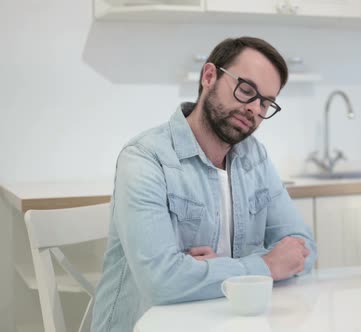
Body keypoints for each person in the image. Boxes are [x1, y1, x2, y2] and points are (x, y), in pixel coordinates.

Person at [91, 36, 317, 331]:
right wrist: (267, 264)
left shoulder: (255, 157)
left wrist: (221, 267)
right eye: (246, 90)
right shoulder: (146, 158)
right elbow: (161, 283)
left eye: (266, 103)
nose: (253, 109)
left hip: (223, 322)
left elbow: (303, 250)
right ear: (209, 76)